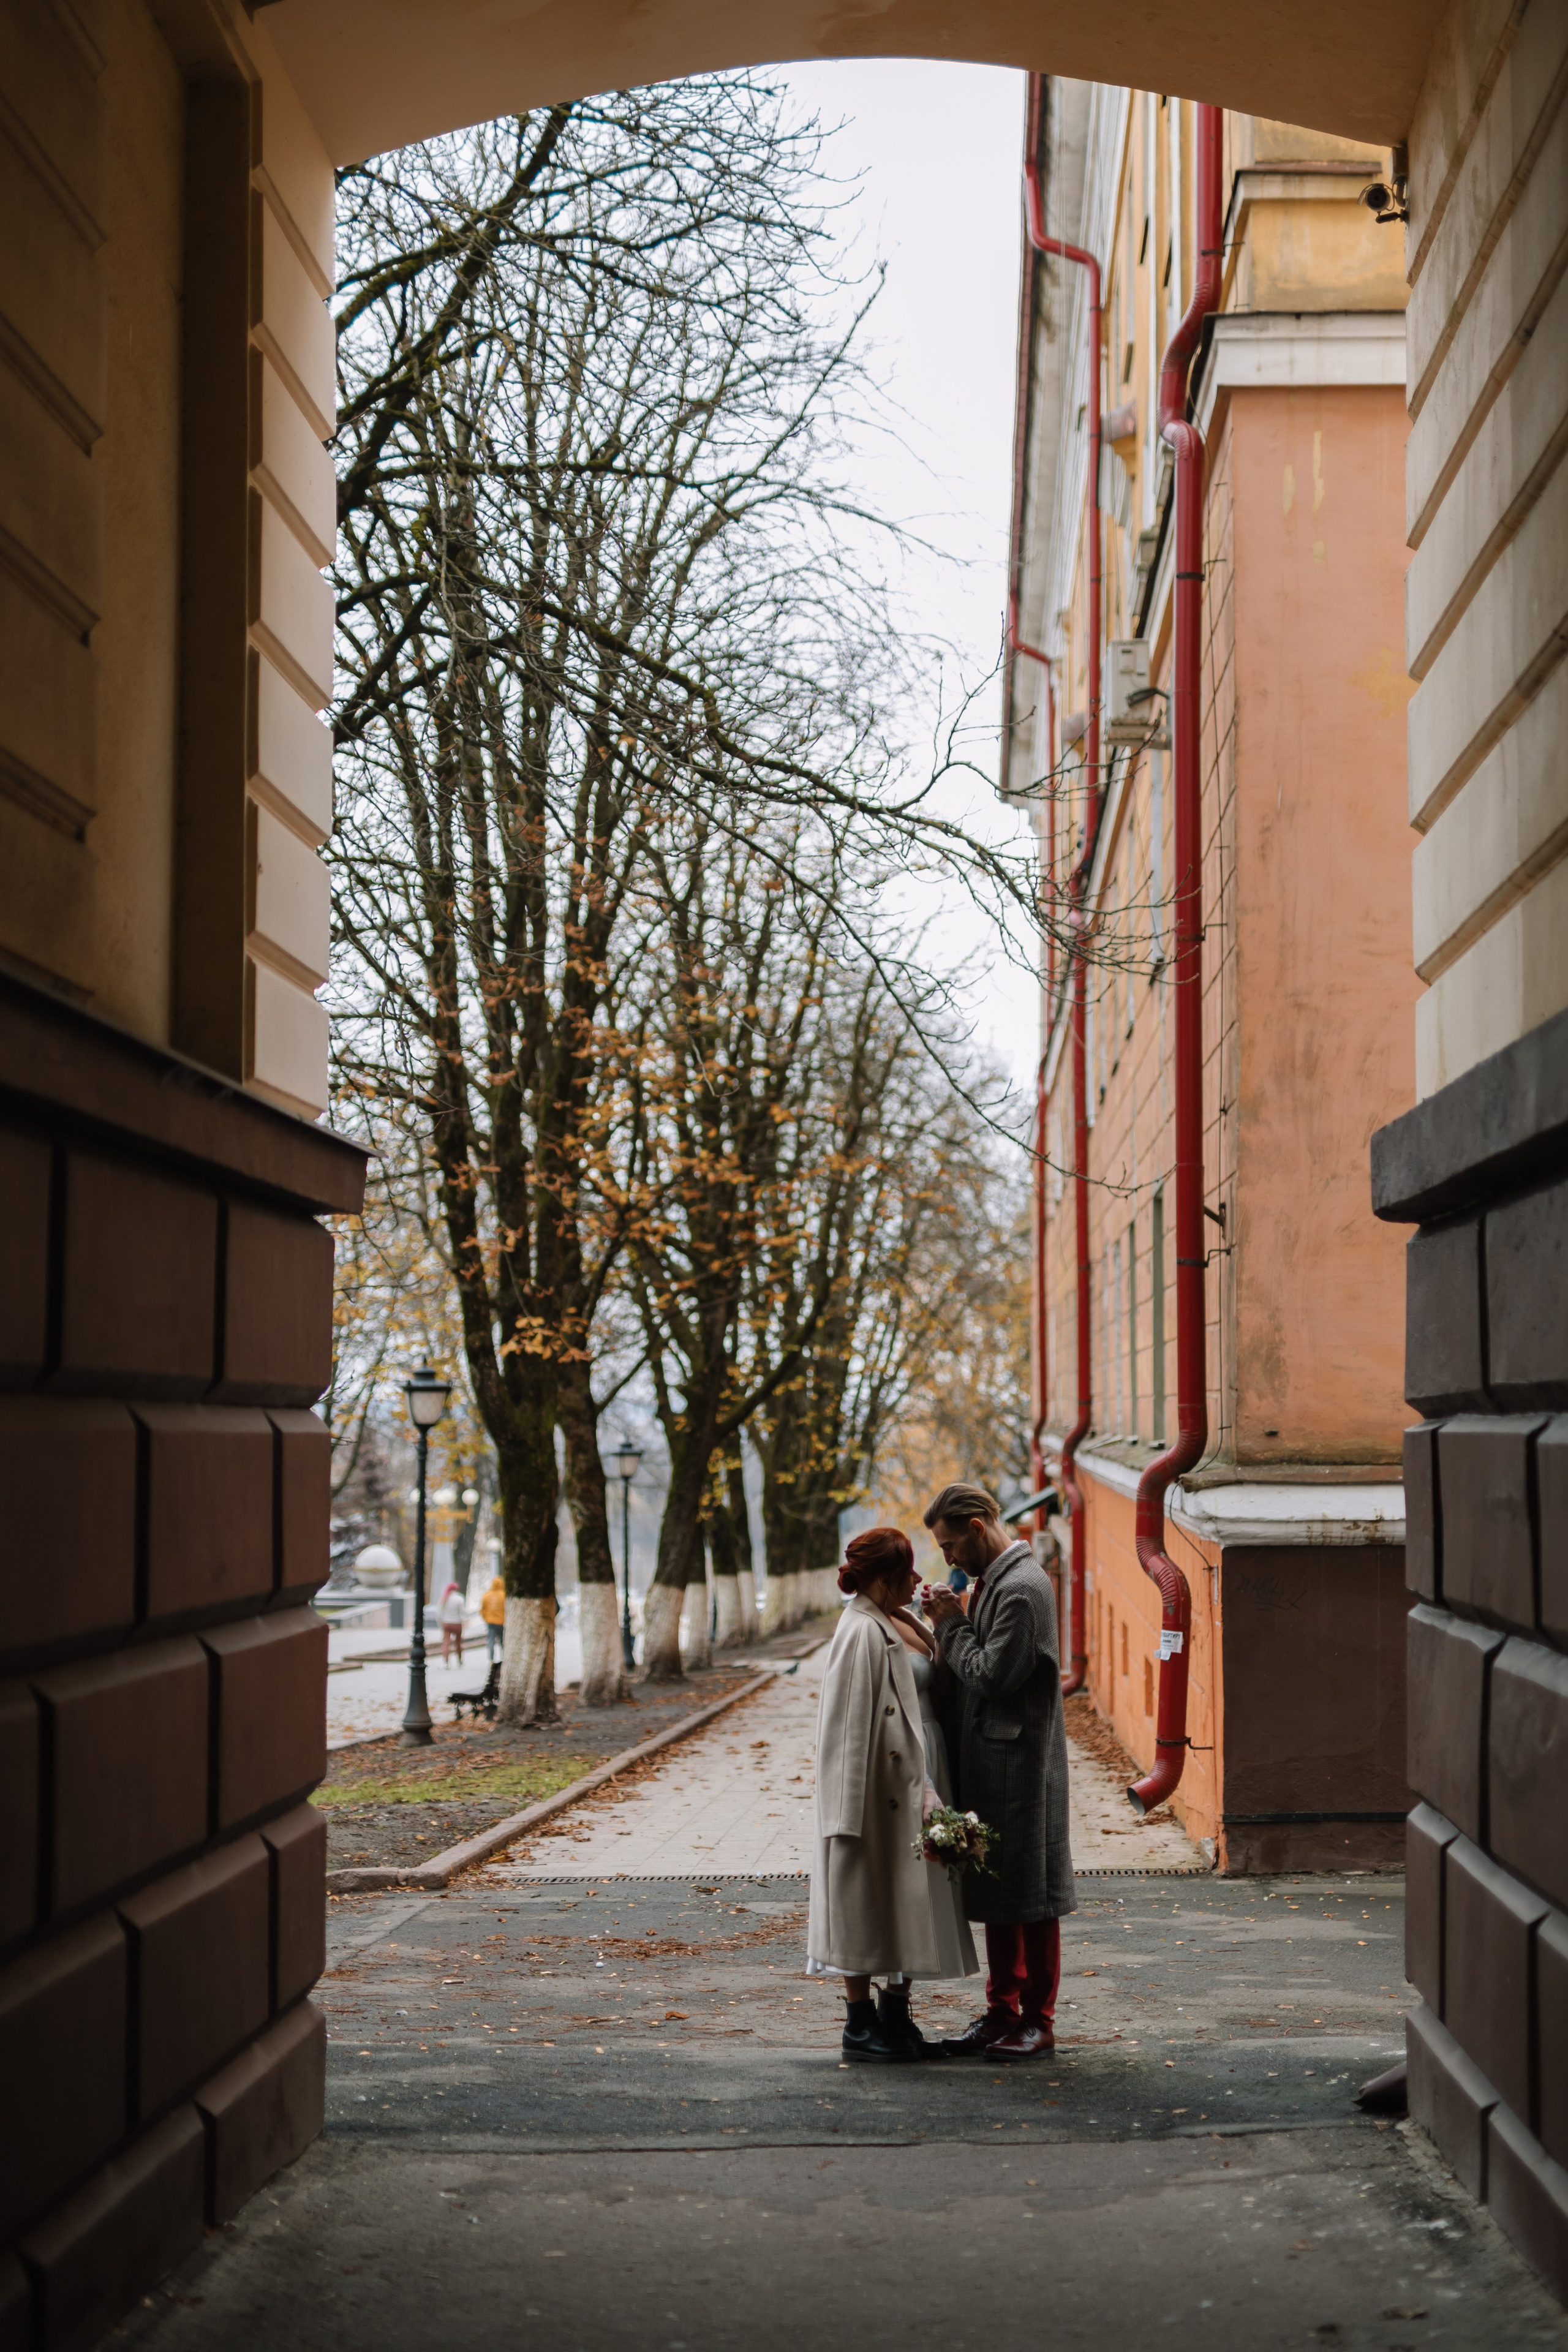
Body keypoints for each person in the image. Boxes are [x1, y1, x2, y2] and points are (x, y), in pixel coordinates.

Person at [807, 1526, 978, 2063]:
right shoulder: (858, 1631)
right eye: (908, 1573)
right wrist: (844, 1811)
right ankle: (860, 2026)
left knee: (913, 1894)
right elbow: (843, 1728)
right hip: (883, 1781)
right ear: (883, 1579)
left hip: (919, 1768)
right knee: (866, 1892)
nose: (918, 1579)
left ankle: (896, 2017)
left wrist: (945, 1626)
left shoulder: (896, 1618)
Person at [921, 1481, 1076, 2060]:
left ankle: (1038, 2019)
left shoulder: (1024, 1590)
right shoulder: (991, 1583)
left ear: (978, 1528)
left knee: (1031, 1894)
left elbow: (990, 1675)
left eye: (950, 1544)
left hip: (1021, 1765)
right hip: (992, 1759)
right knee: (999, 1891)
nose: (949, 1557)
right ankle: (1000, 2011)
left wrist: (951, 1624)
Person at [438, 1580, 466, 1664]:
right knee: (458, 1642)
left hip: (446, 1623)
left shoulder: (444, 1598)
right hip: (457, 1623)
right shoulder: (460, 1599)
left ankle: (446, 1662)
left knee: (446, 1642)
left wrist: (440, 1624)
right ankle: (460, 1660)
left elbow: (439, 1613)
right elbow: (463, 1613)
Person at [480, 1574, 505, 1662]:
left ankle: (491, 1659)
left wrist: (486, 1619)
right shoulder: (505, 1596)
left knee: (491, 1641)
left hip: (491, 1622)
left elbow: (482, 1610)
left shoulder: (486, 1596)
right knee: (503, 1641)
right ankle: (504, 1657)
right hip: (502, 1622)